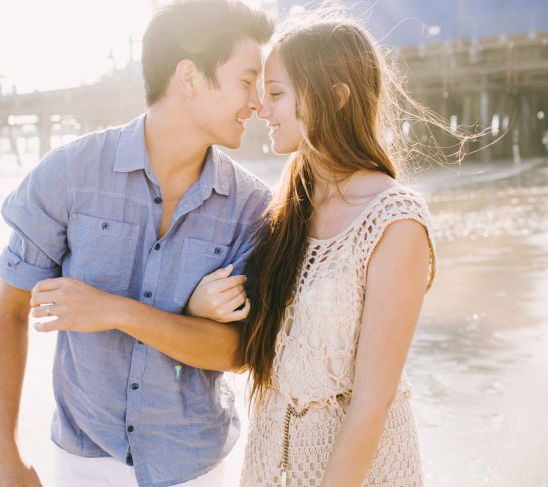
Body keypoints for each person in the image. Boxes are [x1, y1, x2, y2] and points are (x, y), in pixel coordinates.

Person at [0, 1, 273, 486]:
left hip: (196, 467)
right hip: (83, 462)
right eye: (247, 81)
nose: (258, 103)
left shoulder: (251, 206)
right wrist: (5, 454)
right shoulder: (70, 174)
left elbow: (237, 351)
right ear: (190, 77)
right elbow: (9, 313)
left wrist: (117, 311)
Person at [187, 12, 446, 487]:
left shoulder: (394, 221)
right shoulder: (285, 206)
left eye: (278, 94)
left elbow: (372, 399)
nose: (262, 109)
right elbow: (260, 344)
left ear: (335, 97)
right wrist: (200, 306)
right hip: (270, 467)